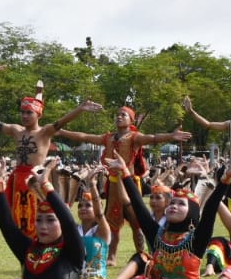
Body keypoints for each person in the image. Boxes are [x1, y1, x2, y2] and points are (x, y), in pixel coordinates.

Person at [101, 154, 227, 279]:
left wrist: (225, 181)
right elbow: (138, 206)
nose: (173, 206)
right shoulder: (157, 235)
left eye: (181, 204)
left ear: (191, 214)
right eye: (172, 203)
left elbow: (209, 210)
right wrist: (126, 173)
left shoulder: (195, 239)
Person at [0, 68, 103, 238]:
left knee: (39, 215)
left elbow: (62, 121)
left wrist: (80, 109)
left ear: (38, 115)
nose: (25, 115)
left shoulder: (45, 132)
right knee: (16, 217)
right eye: (23, 112)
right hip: (17, 178)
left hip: (36, 178)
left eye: (29, 113)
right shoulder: (15, 130)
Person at [58, 104, 191, 264]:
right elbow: (84, 136)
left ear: (131, 120)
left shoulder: (134, 137)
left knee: (137, 223)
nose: (119, 117)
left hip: (130, 185)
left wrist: (171, 136)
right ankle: (112, 257)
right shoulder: (107, 138)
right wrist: (61, 131)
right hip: (113, 185)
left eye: (123, 115)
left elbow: (153, 138)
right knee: (113, 224)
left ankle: (143, 254)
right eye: (117, 114)